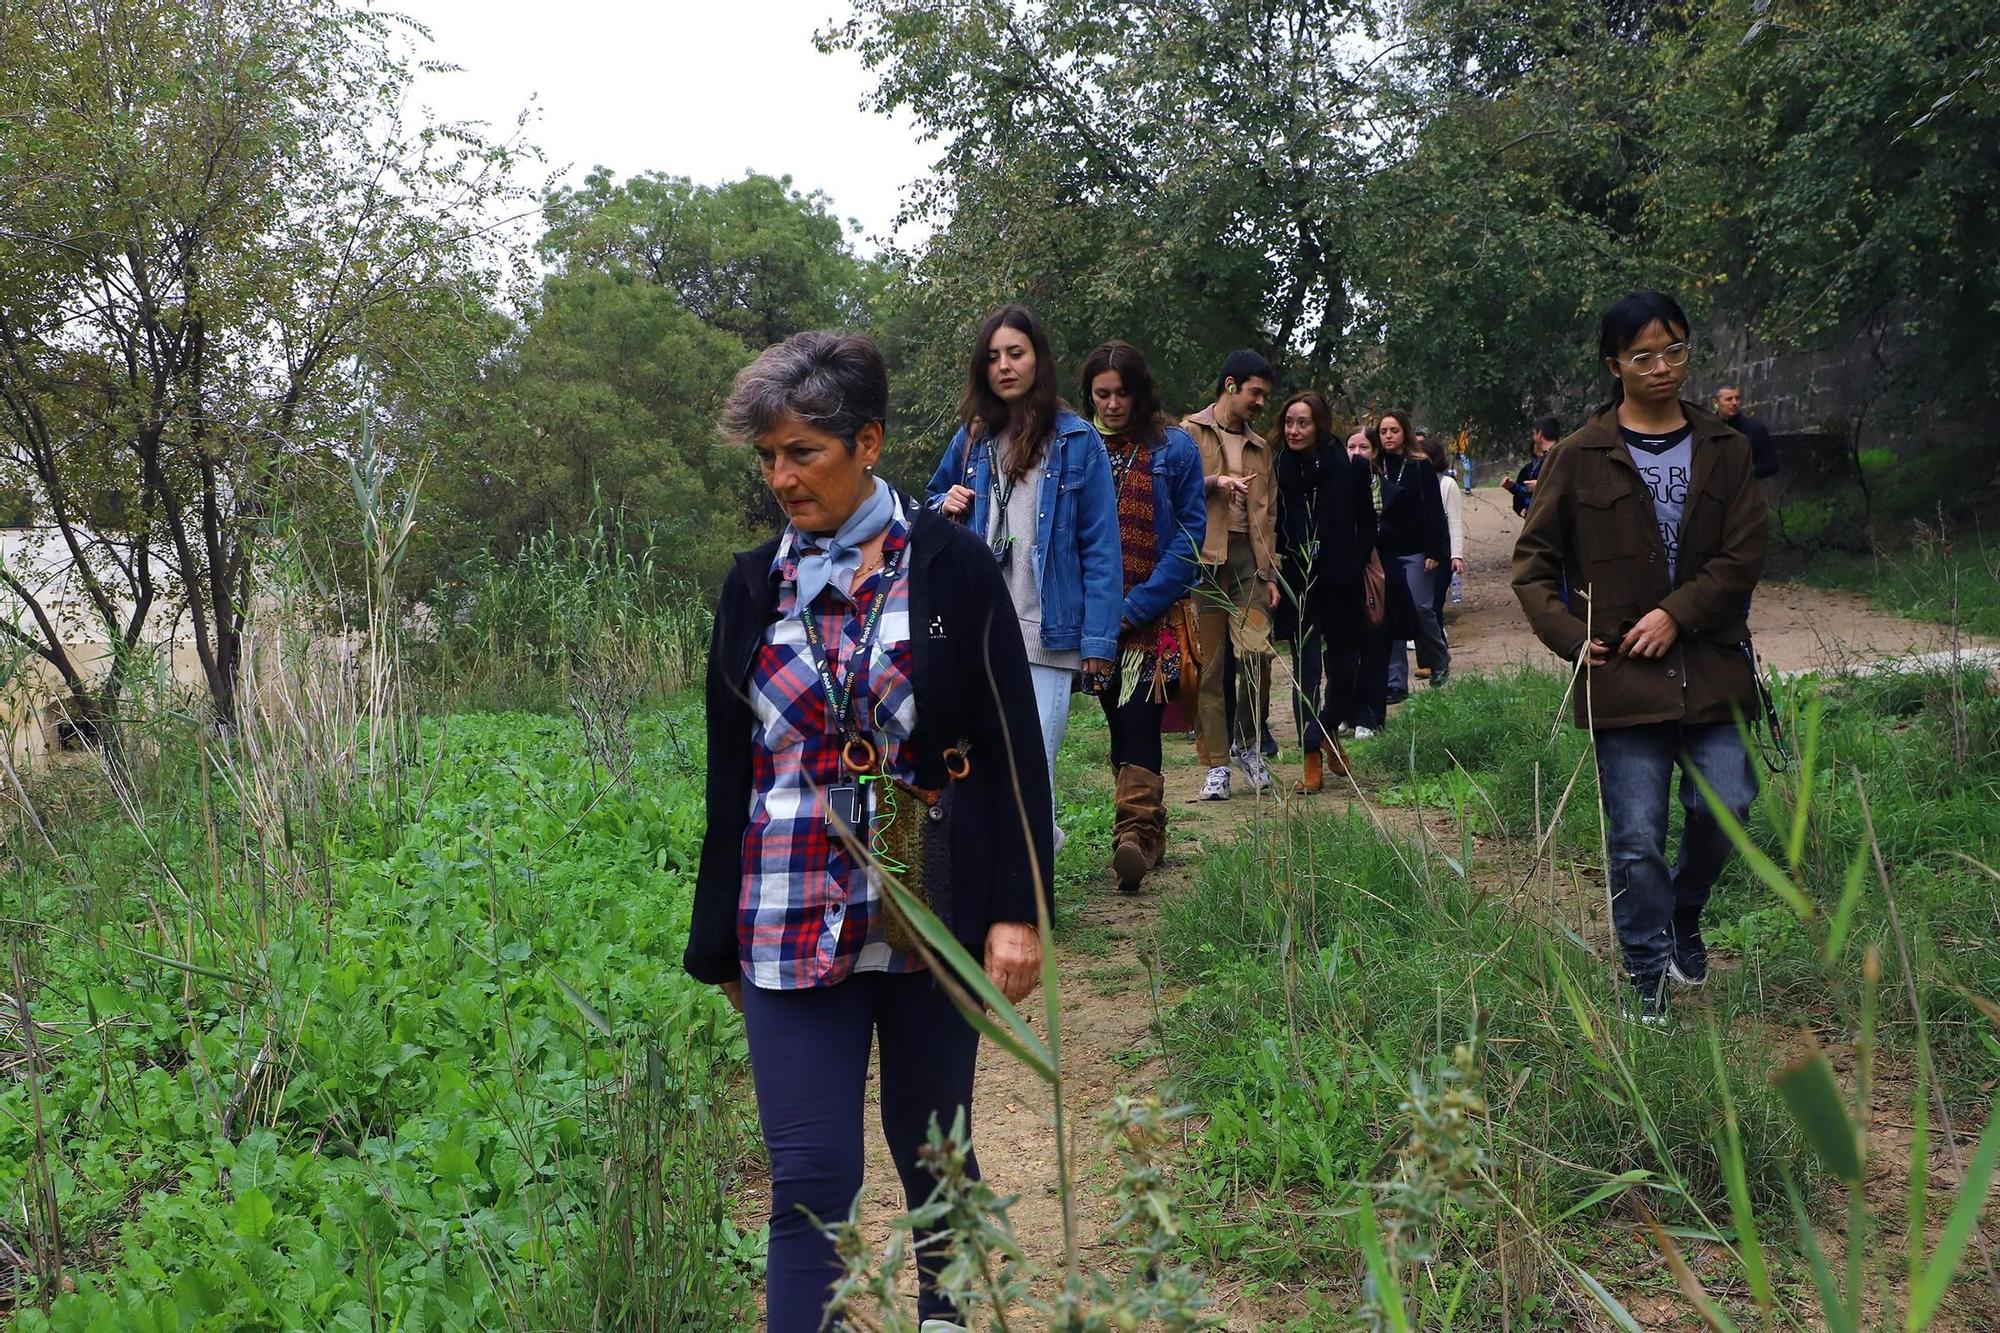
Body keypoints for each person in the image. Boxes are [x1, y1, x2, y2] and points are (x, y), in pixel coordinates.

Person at [687, 331, 1055, 1329]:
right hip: (785, 901)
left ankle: (945, 1313)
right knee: (808, 1170)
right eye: (767, 456)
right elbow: (733, 772)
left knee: (935, 1144)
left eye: (800, 451)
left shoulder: (953, 568)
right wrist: (714, 933)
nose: (780, 477)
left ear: (867, 441)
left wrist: (1018, 911)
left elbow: (1012, 745)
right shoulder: (749, 586)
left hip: (927, 901)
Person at [1511, 289, 1768, 1023]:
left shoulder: (1728, 448)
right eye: (1644, 355)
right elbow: (1532, 565)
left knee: (1728, 804)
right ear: (1615, 364)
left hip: (1713, 667)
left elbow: (1743, 552)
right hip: (1622, 677)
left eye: (1676, 350)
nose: (1663, 368)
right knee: (1635, 837)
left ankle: (1684, 911)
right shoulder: (1579, 455)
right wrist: (1568, 636)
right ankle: (1647, 974)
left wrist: (1676, 613)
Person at [928, 305, 1122, 844]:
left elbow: (1102, 549)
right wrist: (944, 502)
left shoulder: (1079, 442)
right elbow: (926, 508)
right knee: (983, 766)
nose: (1004, 366)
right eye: (993, 357)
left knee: (1031, 770)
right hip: (977, 634)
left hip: (1047, 633)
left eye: (1016, 353)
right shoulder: (971, 440)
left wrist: (1098, 642)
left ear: (1038, 359)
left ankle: (1029, 904)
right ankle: (1005, 891)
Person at [1079, 341, 1206, 892]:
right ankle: (1150, 830)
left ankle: (1131, 835)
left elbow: (1189, 539)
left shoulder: (1174, 448)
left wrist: (1134, 607)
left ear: (1140, 391)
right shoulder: (1075, 449)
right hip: (1091, 621)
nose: (1111, 404)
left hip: (1149, 618)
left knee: (1139, 717)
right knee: (1117, 723)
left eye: (1121, 393)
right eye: (1101, 394)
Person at [1183, 350, 1280, 801]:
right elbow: (1172, 490)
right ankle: (1217, 765)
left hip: (1250, 563)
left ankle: (1247, 743)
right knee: (1210, 666)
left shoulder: (1261, 448)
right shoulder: (1190, 433)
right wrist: (1214, 483)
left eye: (1264, 394)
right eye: (1255, 392)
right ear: (1230, 385)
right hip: (1205, 560)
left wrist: (1271, 572)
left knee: (1258, 656)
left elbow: (1270, 512)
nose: (1261, 402)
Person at [1273, 391, 1375, 792]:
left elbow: (1368, 524)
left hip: (1342, 583)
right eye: (1289, 423)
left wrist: (1354, 560)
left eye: (1303, 423)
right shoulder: (1279, 468)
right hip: (1300, 583)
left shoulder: (1350, 467)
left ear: (1319, 425)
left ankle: (1325, 728)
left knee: (1346, 671)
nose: (1294, 431)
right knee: (1306, 671)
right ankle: (1311, 753)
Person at [1376, 409, 1451, 700]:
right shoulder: (1376, 465)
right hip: (1386, 551)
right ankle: (1396, 682)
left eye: (1393, 431)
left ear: (1403, 432)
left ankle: (1438, 659)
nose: (1388, 437)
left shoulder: (1420, 467)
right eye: (1383, 432)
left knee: (1421, 608)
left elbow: (1434, 511)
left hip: (1418, 550)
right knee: (1392, 614)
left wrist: (1436, 550)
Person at [1346, 426, 1390, 738]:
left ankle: (1370, 716)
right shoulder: (1334, 486)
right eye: (1351, 447)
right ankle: (1347, 711)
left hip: (1378, 577)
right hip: (1344, 576)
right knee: (1347, 648)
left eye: (1363, 447)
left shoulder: (1386, 488)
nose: (1357, 453)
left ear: (1374, 451)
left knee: (1374, 646)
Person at [1417, 433, 1466, 636]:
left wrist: (1457, 555)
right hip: (1417, 552)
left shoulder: (1447, 484)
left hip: (1441, 553)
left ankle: (1438, 655)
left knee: (1434, 604)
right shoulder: (1410, 481)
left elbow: (1454, 522)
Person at [1713, 385, 1780, 480]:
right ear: (1716, 403)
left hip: (1746, 489)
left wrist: (1747, 473)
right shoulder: (1706, 429)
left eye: (1737, 398)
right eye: (1729, 399)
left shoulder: (1756, 429)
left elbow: (1772, 465)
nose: (1734, 403)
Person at [1503, 416, 1559, 518]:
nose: (1532, 437)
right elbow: (1529, 492)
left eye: (1534, 433)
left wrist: (1541, 486)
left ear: (1540, 434)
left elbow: (1566, 488)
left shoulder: (1560, 457)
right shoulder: (1537, 464)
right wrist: (1513, 487)